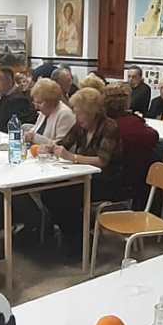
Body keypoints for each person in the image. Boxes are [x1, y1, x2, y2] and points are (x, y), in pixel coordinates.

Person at [43, 87, 122, 254]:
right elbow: (65, 142)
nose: (76, 117)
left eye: (79, 113)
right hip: (84, 176)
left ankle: (79, 241)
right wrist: (51, 147)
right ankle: (74, 234)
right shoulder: (81, 126)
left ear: (91, 112)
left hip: (107, 180)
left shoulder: (109, 127)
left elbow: (102, 161)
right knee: (49, 193)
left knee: (64, 197)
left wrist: (72, 157)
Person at [104, 83, 159, 208]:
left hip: (108, 174)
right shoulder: (132, 122)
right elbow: (153, 137)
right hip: (125, 177)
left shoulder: (101, 120)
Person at [24, 78, 75, 146]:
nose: (36, 107)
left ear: (51, 101)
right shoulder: (45, 111)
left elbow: (61, 145)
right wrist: (28, 134)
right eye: (35, 103)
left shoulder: (65, 114)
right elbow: (34, 130)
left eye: (39, 103)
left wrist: (35, 138)